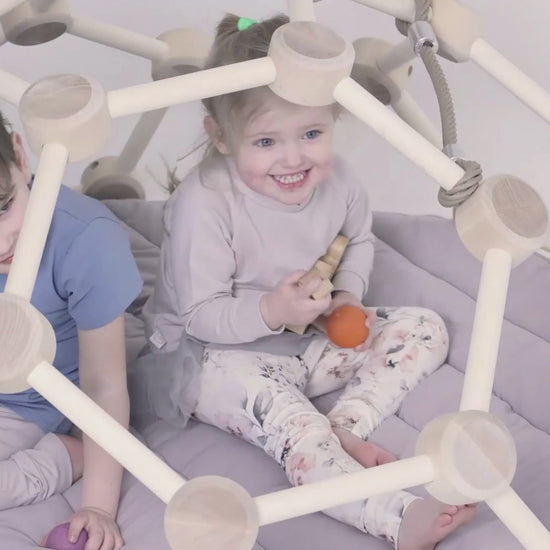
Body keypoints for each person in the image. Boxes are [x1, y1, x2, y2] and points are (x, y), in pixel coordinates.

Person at [141, 14, 476, 550]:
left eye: (312, 134)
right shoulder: (203, 204)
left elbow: (358, 239)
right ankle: (394, 518)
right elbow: (199, 315)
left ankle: (346, 426)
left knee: (423, 328)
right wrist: (273, 310)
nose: (294, 158)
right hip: (209, 356)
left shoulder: (339, 181)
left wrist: (347, 295)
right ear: (220, 137)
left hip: (304, 341)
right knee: (296, 426)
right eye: (266, 140)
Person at [0, 113, 142, 550]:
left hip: (34, 402)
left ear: (21, 156)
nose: (1, 244)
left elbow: (104, 384)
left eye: (3, 206)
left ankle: (65, 456)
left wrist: (97, 506)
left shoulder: (86, 239)